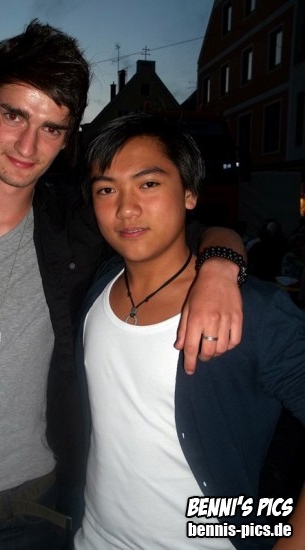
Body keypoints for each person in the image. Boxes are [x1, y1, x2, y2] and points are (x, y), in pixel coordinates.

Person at [0, 21, 246, 550]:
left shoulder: (77, 224)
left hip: (34, 514)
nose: (28, 144)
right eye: (14, 115)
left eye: (52, 128)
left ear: (68, 136)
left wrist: (220, 265)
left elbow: (186, 228)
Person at [73, 113, 305, 549]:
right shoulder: (97, 286)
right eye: (106, 189)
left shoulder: (254, 312)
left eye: (148, 183)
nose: (125, 208)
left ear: (190, 193)